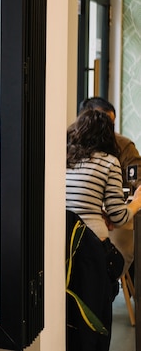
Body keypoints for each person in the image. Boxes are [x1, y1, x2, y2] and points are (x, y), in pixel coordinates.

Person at [66, 109, 141, 348]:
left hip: (64, 244)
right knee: (106, 285)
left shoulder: (64, 157)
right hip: (90, 246)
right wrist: (137, 202)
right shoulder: (109, 162)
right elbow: (119, 217)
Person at [78, 97, 141, 279]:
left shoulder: (123, 147)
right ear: (85, 120)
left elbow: (136, 177)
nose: (107, 130)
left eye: (110, 125)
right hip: (96, 222)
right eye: (102, 123)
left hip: (111, 219)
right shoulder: (67, 147)